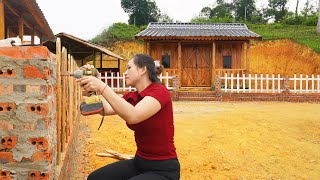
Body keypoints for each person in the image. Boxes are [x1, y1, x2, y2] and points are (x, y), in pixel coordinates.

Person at [76, 54, 180, 180]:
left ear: (143, 69)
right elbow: (106, 108)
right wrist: (94, 83)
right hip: (139, 162)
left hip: (163, 169)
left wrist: (102, 87)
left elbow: (133, 116)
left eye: (129, 68)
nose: (125, 73)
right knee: (95, 178)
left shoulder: (160, 91)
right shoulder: (132, 96)